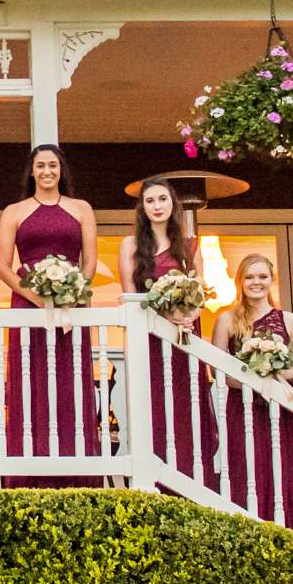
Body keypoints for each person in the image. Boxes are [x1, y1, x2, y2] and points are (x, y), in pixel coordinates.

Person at [0, 144, 105, 486]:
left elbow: (88, 262)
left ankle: (76, 474)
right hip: (29, 308)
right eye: (40, 165)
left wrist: (71, 294)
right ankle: (28, 474)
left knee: (70, 383)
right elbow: (2, 267)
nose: (46, 171)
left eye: (53, 166)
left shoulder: (81, 209)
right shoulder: (14, 211)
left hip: (71, 310)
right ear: (31, 171)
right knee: (31, 383)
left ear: (61, 171)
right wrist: (38, 297)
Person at [119, 178, 212, 482]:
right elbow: (131, 299)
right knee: (156, 413)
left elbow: (201, 293)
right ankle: (157, 480)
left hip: (185, 341)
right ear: (142, 208)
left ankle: (192, 479)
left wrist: (188, 316)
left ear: (173, 204)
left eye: (162, 199)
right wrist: (165, 317)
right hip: (151, 343)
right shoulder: (131, 246)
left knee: (187, 413)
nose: (157, 206)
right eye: (150, 201)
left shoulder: (190, 245)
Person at [209, 252, 293, 517]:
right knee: (246, 465)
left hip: (281, 407)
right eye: (249, 277)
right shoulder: (227, 319)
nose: (256, 282)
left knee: (282, 468)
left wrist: (273, 376)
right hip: (243, 406)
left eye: (262, 276)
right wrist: (254, 383)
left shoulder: (289, 320)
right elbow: (218, 369)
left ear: (272, 279)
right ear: (240, 281)